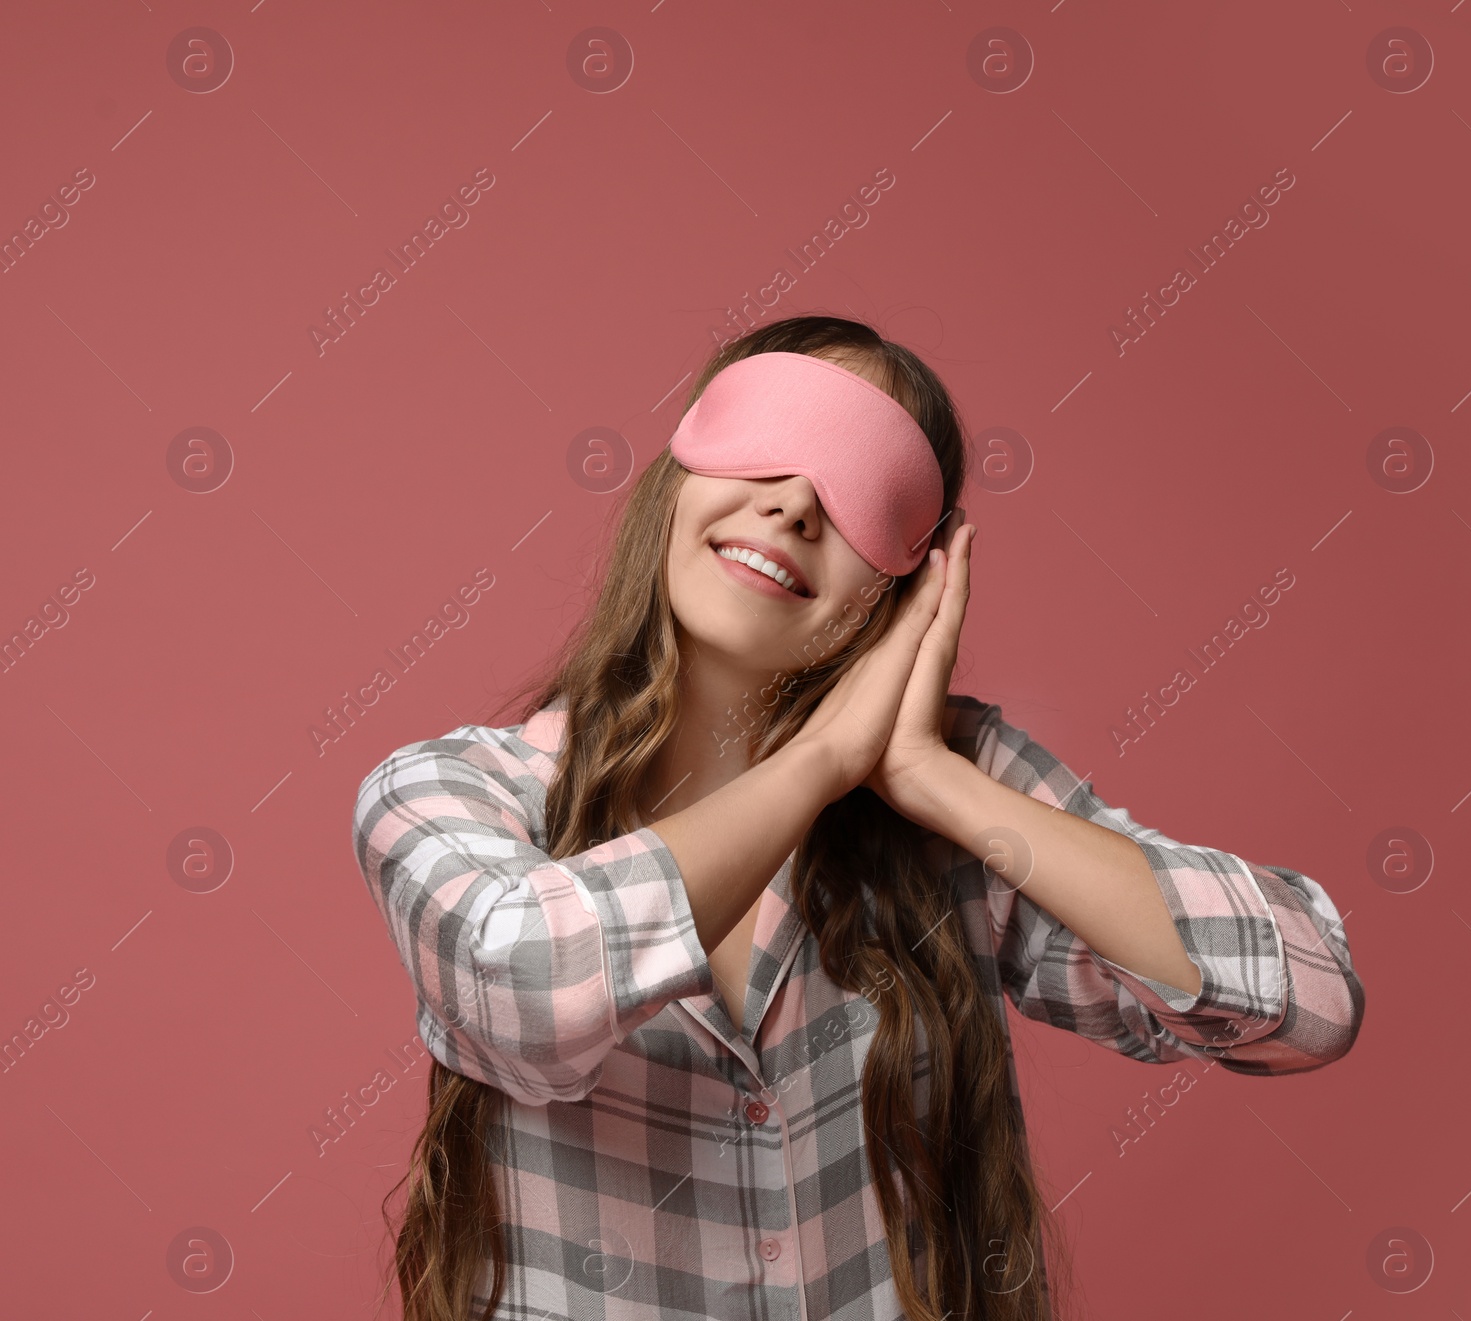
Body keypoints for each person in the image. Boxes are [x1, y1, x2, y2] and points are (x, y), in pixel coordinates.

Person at [350, 314, 1364, 1321]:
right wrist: (821, 761)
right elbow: (518, 986)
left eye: (859, 485)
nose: (795, 503)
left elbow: (1302, 996)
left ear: (909, 580)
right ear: (677, 477)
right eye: (767, 442)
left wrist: (934, 780)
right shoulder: (452, 794)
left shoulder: (959, 799)